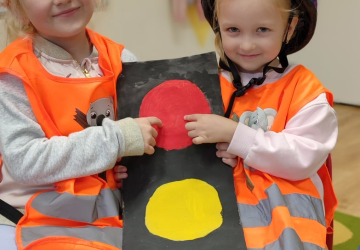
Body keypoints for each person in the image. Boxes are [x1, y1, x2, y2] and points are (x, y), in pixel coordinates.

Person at [0, 0, 162, 249]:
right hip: (31, 223)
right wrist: (117, 140)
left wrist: (126, 165)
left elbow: (138, 141)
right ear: (16, 9)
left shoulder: (122, 60)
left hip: (109, 221)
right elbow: (25, 161)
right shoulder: (12, 74)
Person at [183, 0, 338, 249]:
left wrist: (237, 137)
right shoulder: (204, 85)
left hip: (286, 218)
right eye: (233, 30)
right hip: (218, 212)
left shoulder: (305, 91)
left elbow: (302, 157)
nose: (246, 44)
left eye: (262, 30)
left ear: (289, 27)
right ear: (218, 25)